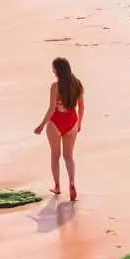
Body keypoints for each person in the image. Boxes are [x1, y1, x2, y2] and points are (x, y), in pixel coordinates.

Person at [33, 57, 84, 201]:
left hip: (56, 122)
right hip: (72, 122)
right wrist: (79, 123)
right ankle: (72, 182)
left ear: (58, 70)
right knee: (68, 157)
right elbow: (81, 106)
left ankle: (57, 186)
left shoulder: (55, 87)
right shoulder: (78, 84)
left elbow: (51, 109)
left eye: (53, 68)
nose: (52, 70)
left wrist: (41, 126)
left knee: (55, 156)